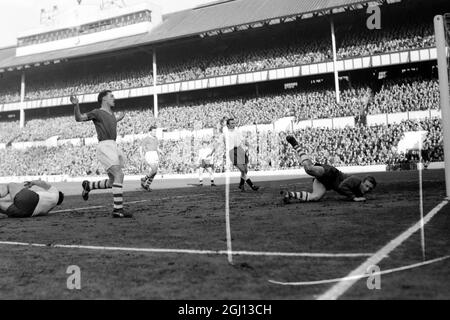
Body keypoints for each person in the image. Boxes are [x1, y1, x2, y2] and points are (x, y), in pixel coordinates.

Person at [71, 90, 131, 218]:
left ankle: (89, 186)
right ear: (104, 99)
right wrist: (76, 105)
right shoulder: (97, 112)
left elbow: (111, 121)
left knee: (113, 180)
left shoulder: (111, 114)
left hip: (113, 146)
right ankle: (117, 210)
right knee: (119, 175)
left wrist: (119, 118)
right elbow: (79, 118)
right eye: (111, 96)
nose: (114, 98)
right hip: (105, 146)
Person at [282, 135, 376, 202]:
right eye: (367, 186)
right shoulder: (355, 180)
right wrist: (353, 197)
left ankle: (290, 195)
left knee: (315, 197)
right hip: (331, 173)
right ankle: (296, 146)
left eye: (370, 189)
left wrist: (356, 197)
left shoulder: (360, 193)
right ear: (363, 182)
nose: (367, 189)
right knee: (309, 169)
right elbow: (342, 186)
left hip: (327, 184)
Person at [219, 118, 259, 191]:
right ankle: (252, 186)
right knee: (242, 169)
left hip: (239, 149)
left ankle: (241, 185)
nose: (234, 125)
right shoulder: (225, 131)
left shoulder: (237, 130)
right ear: (227, 125)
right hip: (232, 151)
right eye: (232, 123)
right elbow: (222, 129)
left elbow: (241, 138)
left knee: (245, 170)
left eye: (234, 123)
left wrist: (247, 143)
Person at [0, 180, 64, 218]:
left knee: (11, 185)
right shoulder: (48, 209)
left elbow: (42, 183)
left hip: (32, 198)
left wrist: (32, 183)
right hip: (26, 213)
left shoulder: (56, 193)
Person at [140, 126, 160, 191]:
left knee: (155, 172)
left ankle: (147, 185)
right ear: (150, 131)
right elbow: (141, 147)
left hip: (155, 154)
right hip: (149, 154)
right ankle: (144, 179)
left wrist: (161, 151)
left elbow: (157, 147)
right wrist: (142, 156)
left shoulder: (156, 138)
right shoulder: (147, 138)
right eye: (154, 131)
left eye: (155, 131)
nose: (155, 132)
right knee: (153, 169)